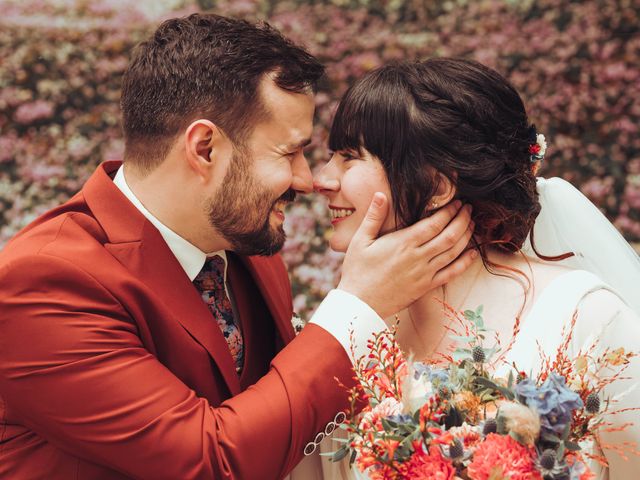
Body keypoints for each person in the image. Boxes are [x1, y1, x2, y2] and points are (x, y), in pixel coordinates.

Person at [0, 15, 476, 480]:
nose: (307, 180)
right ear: (205, 148)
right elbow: (212, 462)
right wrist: (357, 307)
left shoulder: (244, 248)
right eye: (289, 153)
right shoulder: (39, 284)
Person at [314, 58, 640, 479]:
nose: (321, 179)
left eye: (347, 157)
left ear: (436, 186)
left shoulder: (581, 317)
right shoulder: (349, 318)